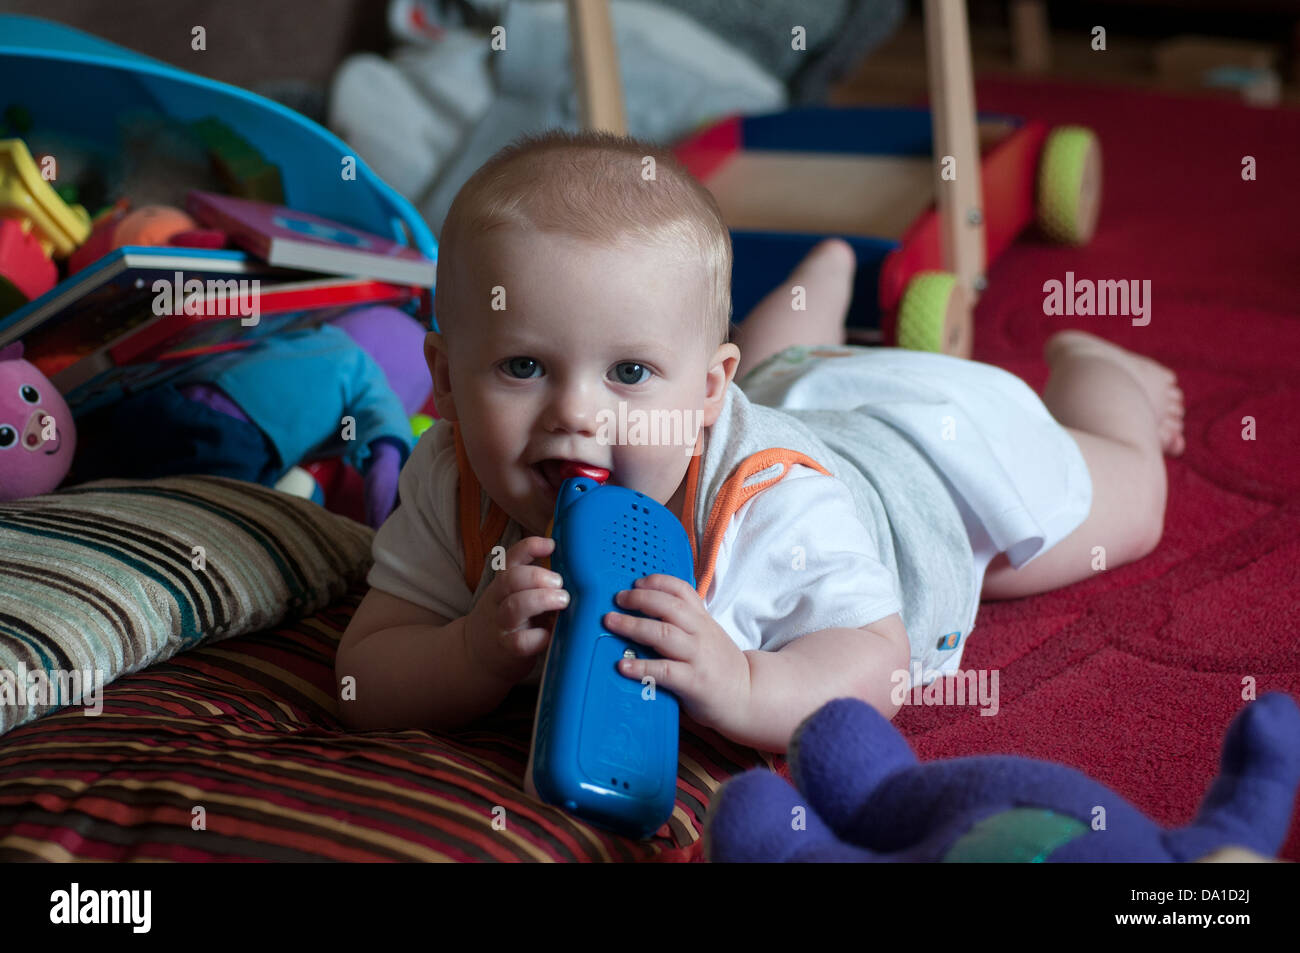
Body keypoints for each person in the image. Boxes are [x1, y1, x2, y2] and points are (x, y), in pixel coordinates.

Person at [336, 130, 1185, 754]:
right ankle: (822, 283)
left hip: (920, 468)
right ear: (443, 383)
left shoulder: (769, 500)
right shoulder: (450, 477)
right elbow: (362, 672)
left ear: (710, 392)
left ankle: (1096, 367)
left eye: (628, 372)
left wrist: (748, 681)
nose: (579, 414)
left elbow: (877, 657)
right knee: (784, 373)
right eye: (524, 365)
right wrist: (466, 654)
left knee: (1128, 509)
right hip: (784, 393)